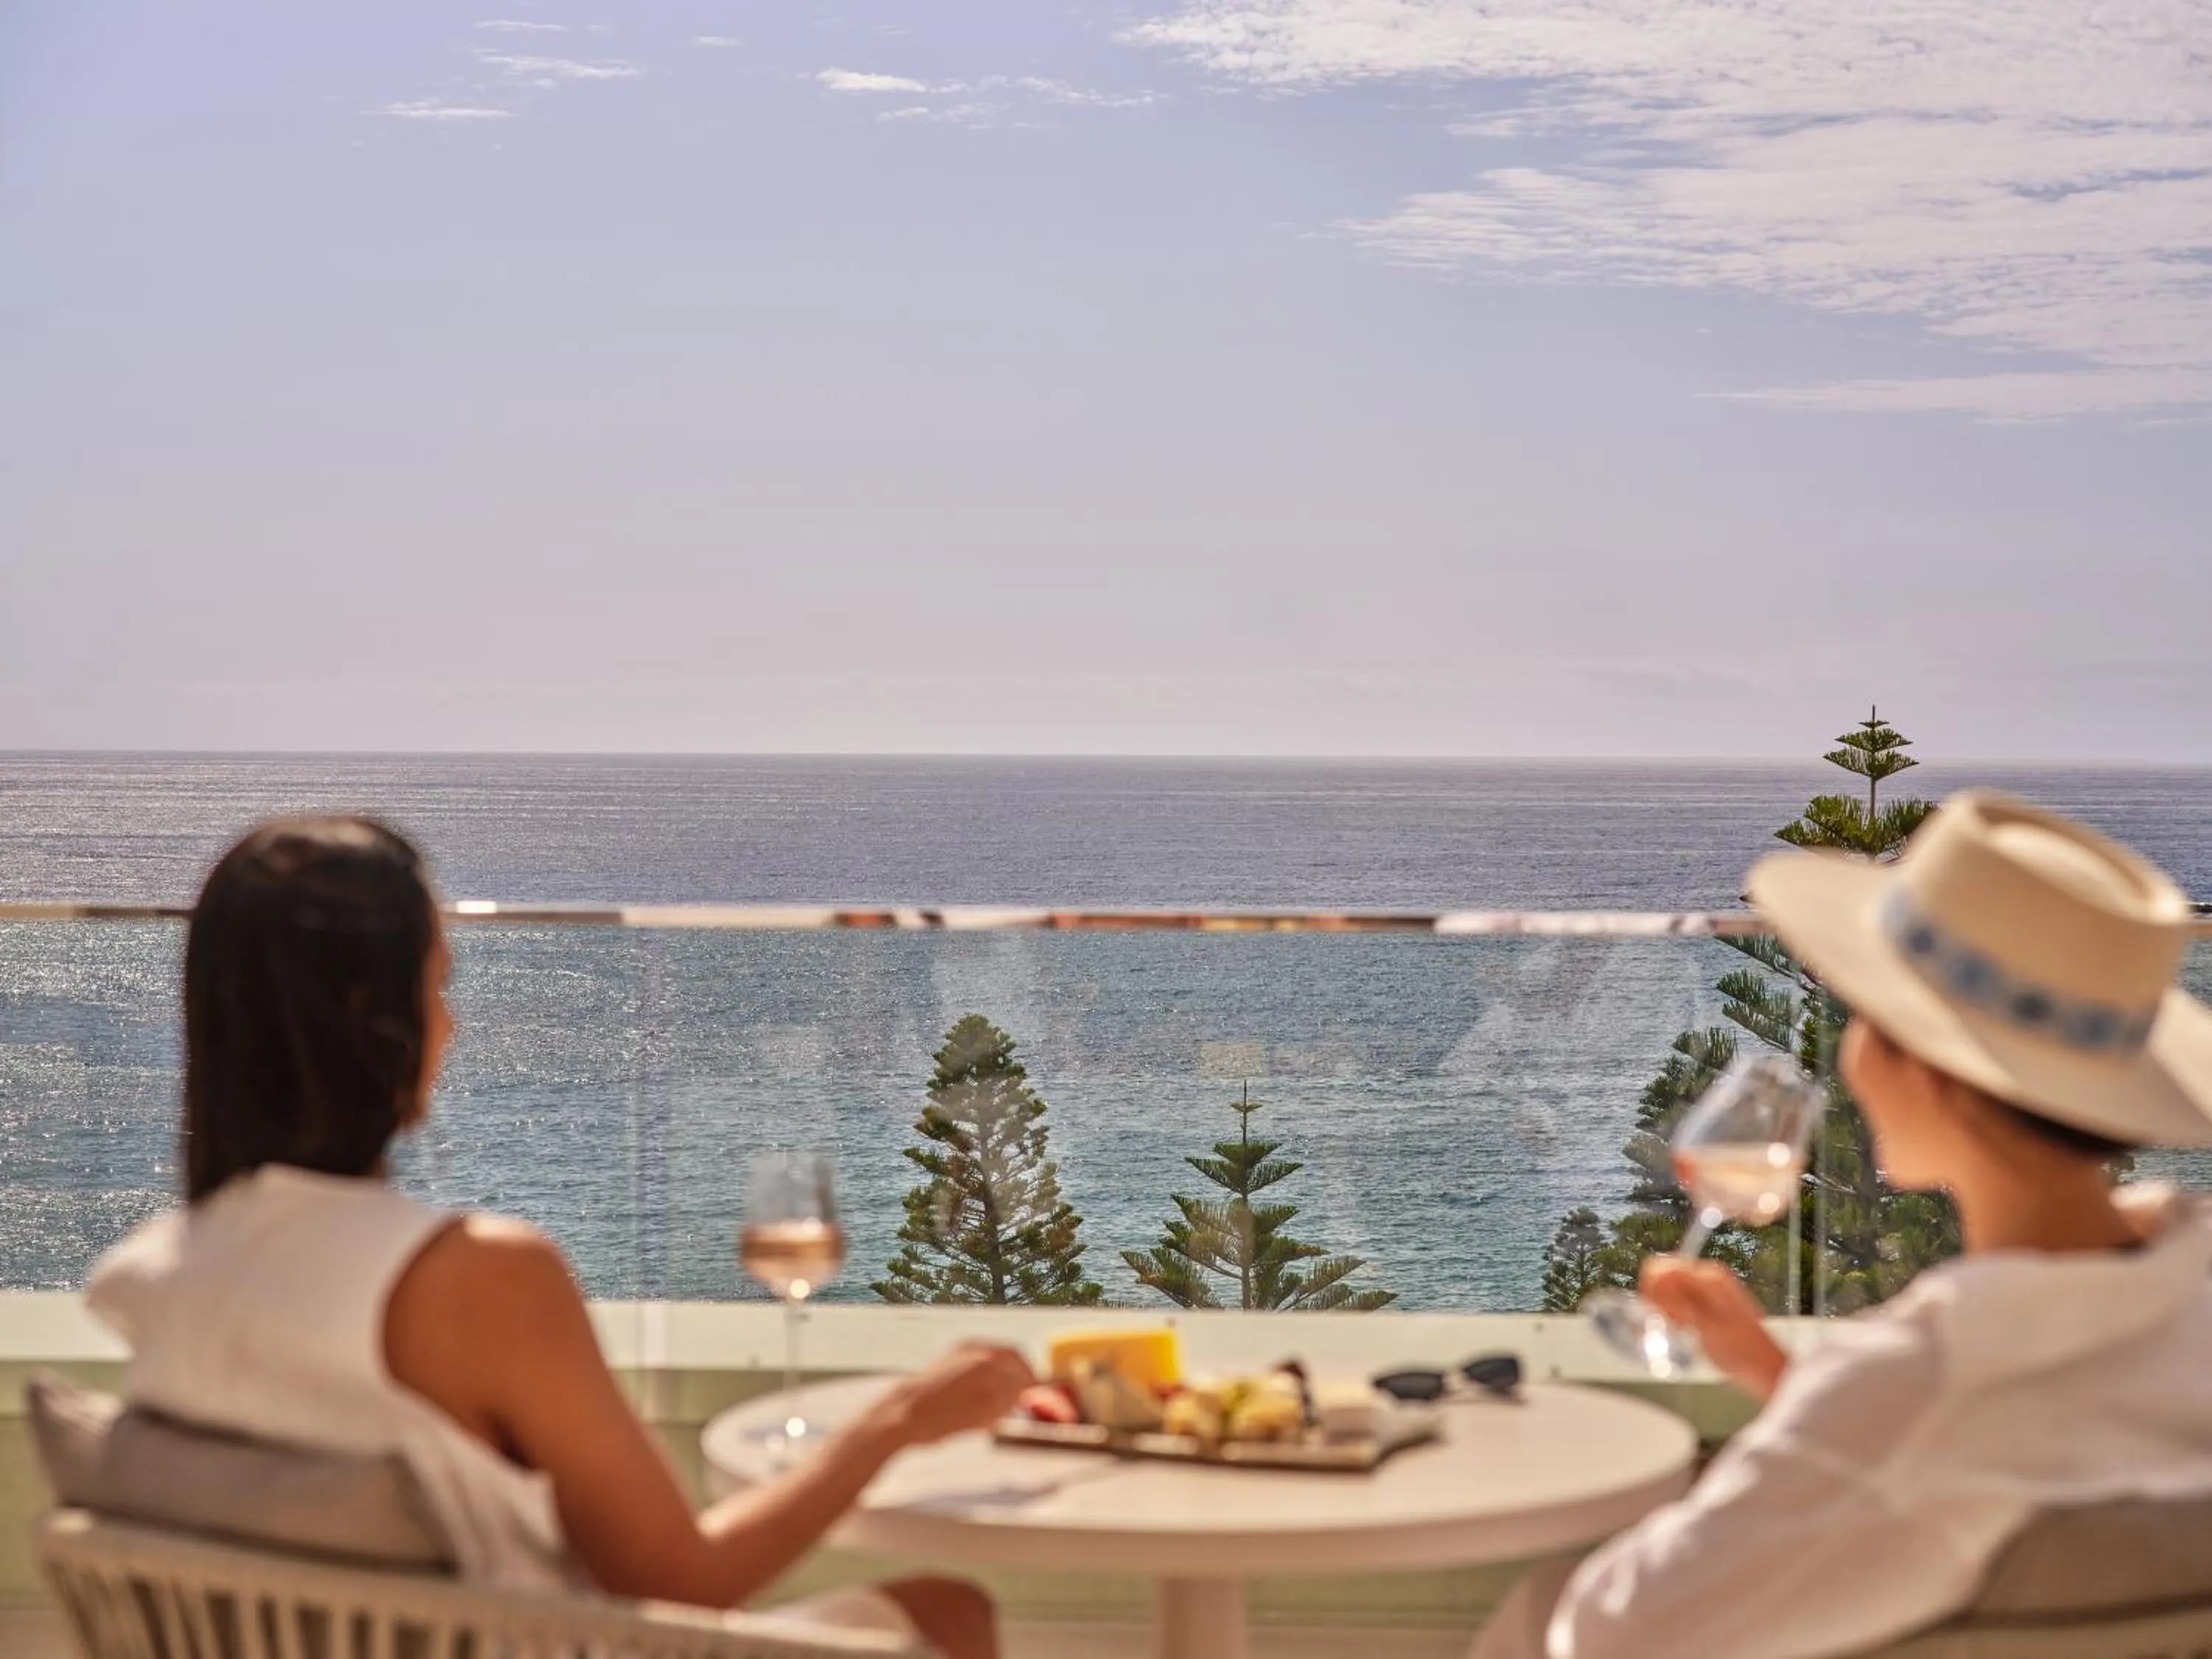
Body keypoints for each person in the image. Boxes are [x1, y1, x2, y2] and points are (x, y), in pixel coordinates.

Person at [85, 818, 1034, 1659]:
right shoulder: (476, 1279)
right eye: (439, 986)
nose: (450, 1025)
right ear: (377, 1022)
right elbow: (682, 1581)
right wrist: (895, 1424)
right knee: (946, 1612)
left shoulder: (158, 1270)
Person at [1479, 788, 2212, 1659]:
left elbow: (1610, 1633)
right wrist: (1783, 1380)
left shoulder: (1923, 1386)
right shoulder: (2184, 1301)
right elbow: (1949, 1462)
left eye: (1868, 1012)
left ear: (1932, 1068)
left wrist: (1803, 1432)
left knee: (1535, 1605)